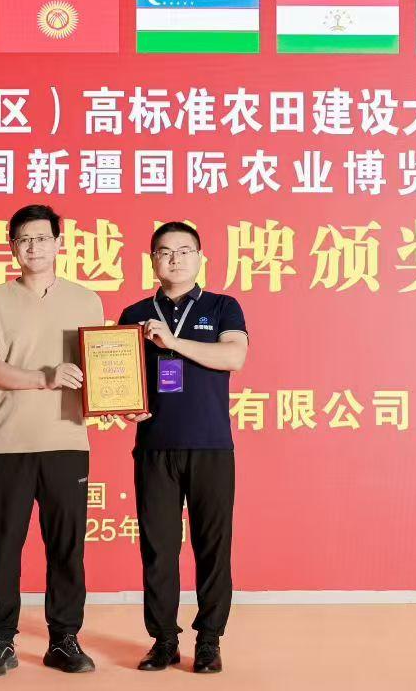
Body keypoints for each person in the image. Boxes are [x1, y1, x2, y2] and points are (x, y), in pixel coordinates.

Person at [0, 204, 103, 677]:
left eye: (42, 238)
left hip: (67, 439)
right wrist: (46, 378)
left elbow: (100, 367)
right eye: (24, 239)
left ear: (58, 243)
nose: (34, 247)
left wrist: (122, 398)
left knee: (67, 546)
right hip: (8, 442)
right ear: (12, 247)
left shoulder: (87, 301)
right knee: (3, 544)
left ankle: (64, 639)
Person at [112, 221, 249, 674]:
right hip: (154, 447)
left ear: (200, 257)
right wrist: (123, 405)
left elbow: (233, 356)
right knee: (158, 549)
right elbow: (119, 375)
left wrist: (172, 342)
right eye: (165, 251)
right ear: (152, 259)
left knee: (213, 548)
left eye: (184, 250)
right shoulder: (134, 313)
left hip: (211, 446)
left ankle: (209, 640)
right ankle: (164, 640)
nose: (175, 259)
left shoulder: (223, 306)